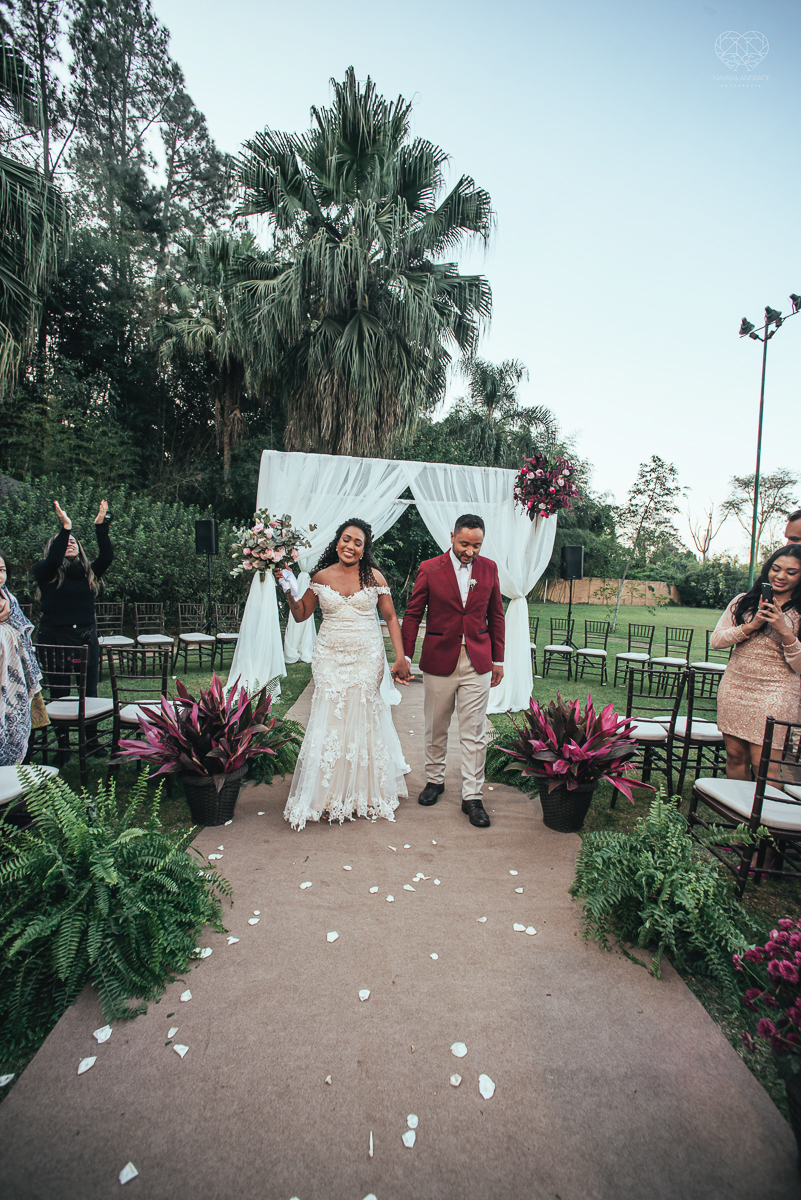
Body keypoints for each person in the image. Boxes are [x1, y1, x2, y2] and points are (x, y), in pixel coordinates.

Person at [276, 519, 412, 830]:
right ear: (337, 542)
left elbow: (391, 617)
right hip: (329, 657)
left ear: (365, 549)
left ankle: (361, 791)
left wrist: (400, 657)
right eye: (346, 539)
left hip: (367, 656)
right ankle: (327, 791)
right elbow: (300, 615)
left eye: (358, 542)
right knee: (331, 716)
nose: (350, 546)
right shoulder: (320, 577)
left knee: (362, 714)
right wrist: (287, 588)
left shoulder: (374, 577)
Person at [401, 514, 505, 828]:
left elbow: (496, 615)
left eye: (476, 545)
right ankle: (434, 781)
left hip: (477, 662)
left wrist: (498, 660)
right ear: (451, 537)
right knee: (436, 726)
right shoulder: (430, 568)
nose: (470, 551)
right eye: (464, 543)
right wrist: (405, 656)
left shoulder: (489, 569)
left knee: (475, 733)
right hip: (439, 660)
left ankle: (472, 796)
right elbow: (413, 613)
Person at [710, 545, 801, 779]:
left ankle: (762, 816)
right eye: (776, 568)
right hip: (735, 686)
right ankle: (738, 816)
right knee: (734, 756)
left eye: (791, 572)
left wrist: (784, 630)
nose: (780, 576)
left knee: (766, 765)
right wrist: (751, 626)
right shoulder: (743, 601)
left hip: (777, 691)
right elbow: (717, 640)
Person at [33, 499, 113, 714]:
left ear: (79, 548)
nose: (70, 542)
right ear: (54, 548)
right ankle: (64, 743)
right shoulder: (44, 571)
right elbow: (52, 561)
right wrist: (65, 527)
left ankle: (93, 742)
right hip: (55, 639)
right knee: (60, 693)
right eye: (64, 541)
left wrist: (100, 526)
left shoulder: (88, 573)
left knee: (89, 691)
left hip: (86, 638)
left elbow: (107, 556)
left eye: (73, 541)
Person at [0, 552, 46, 765]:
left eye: (1, 570)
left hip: (14, 674)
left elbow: (23, 633)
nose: (0, 575)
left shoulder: (10, 599)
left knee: (14, 725)